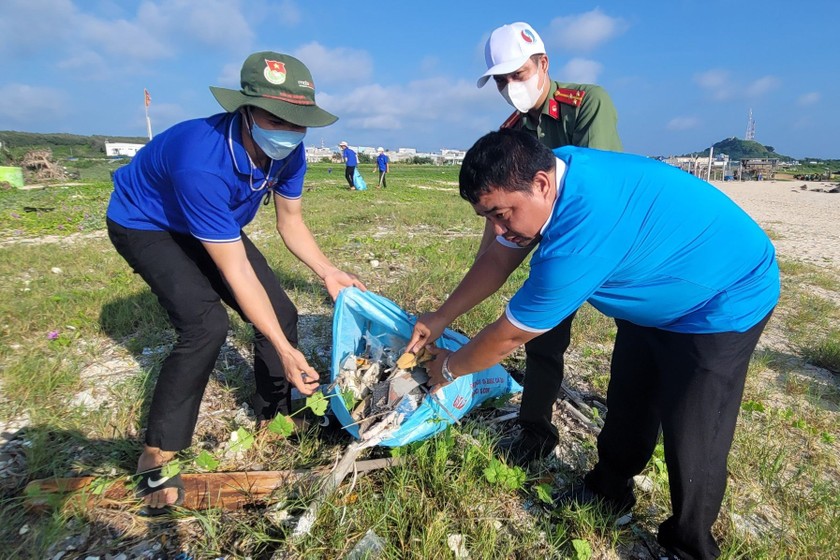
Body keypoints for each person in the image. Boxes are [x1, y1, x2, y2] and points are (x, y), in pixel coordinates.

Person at [407, 129, 779, 560]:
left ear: (541, 185)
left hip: (723, 295)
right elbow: (497, 258)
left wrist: (450, 367)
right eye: (488, 217)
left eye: (501, 215)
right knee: (630, 395)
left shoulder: (581, 235)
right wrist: (440, 318)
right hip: (655, 286)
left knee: (694, 429)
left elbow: (509, 335)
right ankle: (609, 490)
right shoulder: (549, 170)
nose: (497, 228)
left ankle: (689, 544)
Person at [106, 51, 366, 514]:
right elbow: (236, 270)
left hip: (210, 220)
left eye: (299, 121)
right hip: (147, 222)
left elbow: (290, 221)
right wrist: (287, 352)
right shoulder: (201, 162)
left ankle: (276, 414)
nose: (288, 131)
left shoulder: (289, 152)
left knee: (282, 312)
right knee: (205, 324)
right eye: (276, 118)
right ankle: (156, 453)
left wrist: (327, 270)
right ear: (245, 111)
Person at [475, 21, 624, 465]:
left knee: (632, 340)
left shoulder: (586, 104)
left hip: (605, 238)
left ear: (543, 64)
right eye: (501, 81)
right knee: (542, 337)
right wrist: (487, 262)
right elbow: (500, 208)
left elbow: (598, 184)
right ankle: (535, 430)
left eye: (517, 75)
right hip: (554, 244)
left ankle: (620, 434)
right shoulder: (513, 130)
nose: (510, 88)